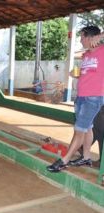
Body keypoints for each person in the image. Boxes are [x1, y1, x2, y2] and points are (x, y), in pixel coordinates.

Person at [47, 26, 104, 172]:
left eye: (83, 36)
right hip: (81, 97)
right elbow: (89, 74)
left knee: (79, 130)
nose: (80, 40)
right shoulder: (85, 55)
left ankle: (64, 161)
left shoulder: (102, 51)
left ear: (91, 38)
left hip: (93, 98)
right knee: (87, 128)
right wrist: (77, 74)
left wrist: (101, 35)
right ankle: (86, 157)